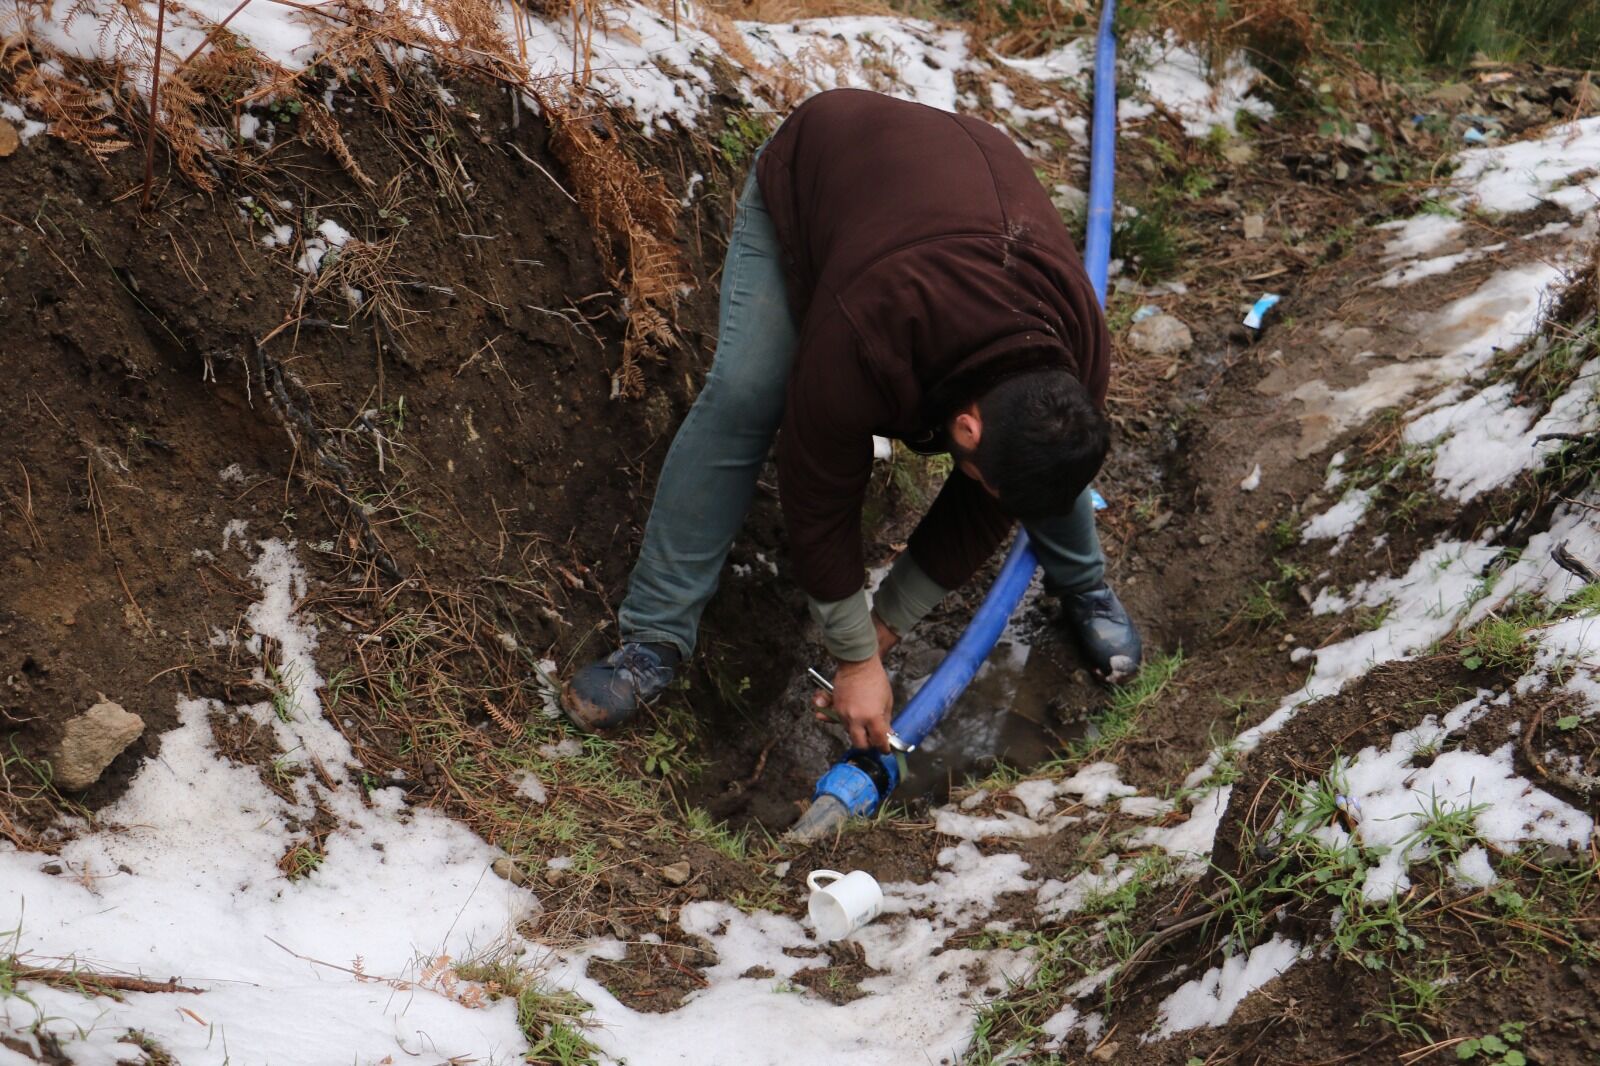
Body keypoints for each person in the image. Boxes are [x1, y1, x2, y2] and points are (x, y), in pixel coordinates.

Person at [562, 88, 1141, 754]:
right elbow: (820, 492)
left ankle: (1083, 582)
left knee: (1046, 460)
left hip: (957, 189)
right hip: (824, 171)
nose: (991, 495)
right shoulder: (869, 335)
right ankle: (655, 636)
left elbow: (987, 507)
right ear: (967, 428)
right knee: (748, 395)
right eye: (983, 476)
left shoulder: (1076, 359)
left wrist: (883, 629)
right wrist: (855, 655)